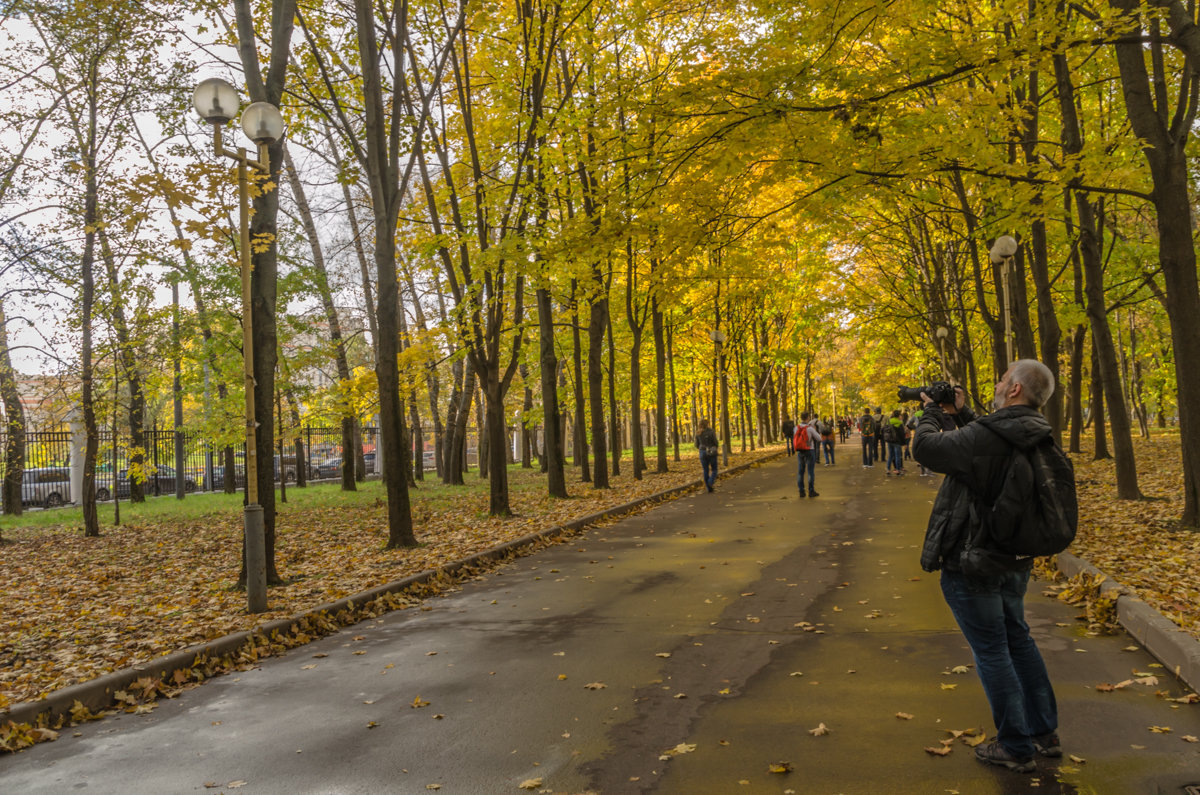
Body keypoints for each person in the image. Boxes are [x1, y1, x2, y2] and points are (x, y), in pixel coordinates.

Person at [911, 360, 1063, 774]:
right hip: (1013, 559)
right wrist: (961, 414)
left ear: (1014, 390)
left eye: (1002, 379)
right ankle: (1043, 733)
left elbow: (925, 448)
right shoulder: (1035, 432)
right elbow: (993, 440)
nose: (997, 384)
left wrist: (933, 413)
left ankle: (1014, 746)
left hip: (973, 560)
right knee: (1018, 640)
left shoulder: (987, 436)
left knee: (993, 650)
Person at [794, 412, 822, 497]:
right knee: (810, 471)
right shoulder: (810, 428)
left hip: (800, 451)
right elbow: (819, 438)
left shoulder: (796, 428)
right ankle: (811, 491)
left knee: (800, 472)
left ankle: (801, 491)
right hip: (810, 450)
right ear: (808, 418)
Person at [695, 419, 720, 493]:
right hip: (711, 452)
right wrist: (715, 447)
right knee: (714, 469)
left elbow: (696, 444)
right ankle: (710, 481)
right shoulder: (711, 431)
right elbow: (715, 442)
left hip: (702, 452)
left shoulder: (698, 433)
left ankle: (709, 488)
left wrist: (701, 448)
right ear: (707, 424)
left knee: (705, 470)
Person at [883, 409, 906, 475]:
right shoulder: (899, 423)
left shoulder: (889, 421)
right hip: (897, 442)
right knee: (897, 456)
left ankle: (888, 469)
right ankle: (898, 470)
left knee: (890, 455)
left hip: (889, 441)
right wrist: (904, 443)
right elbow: (902, 434)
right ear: (898, 415)